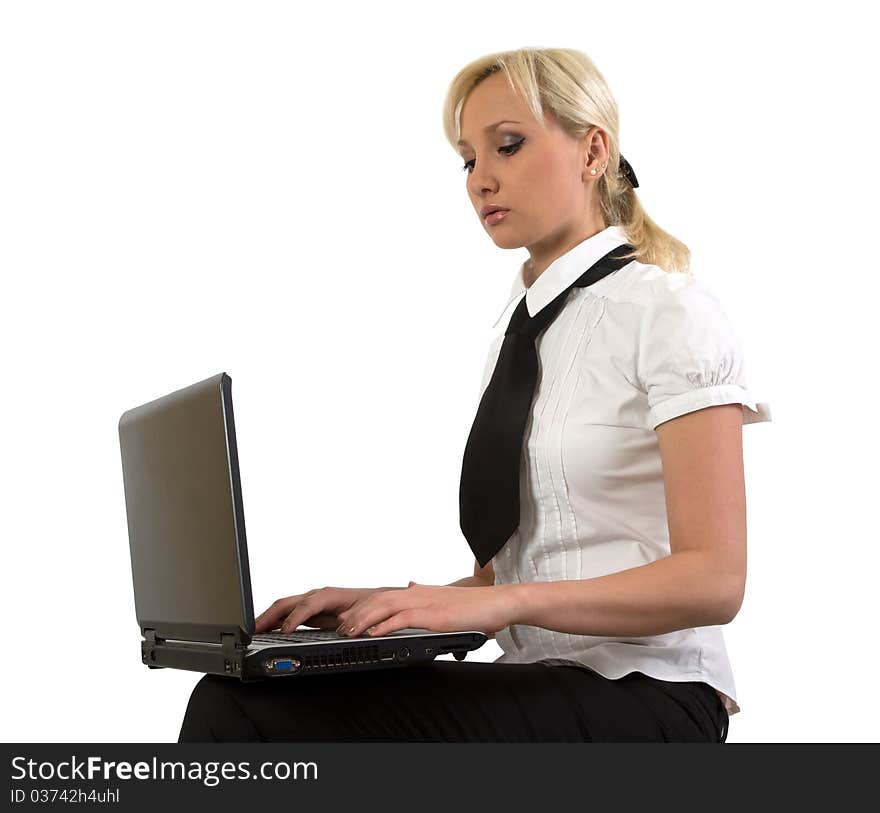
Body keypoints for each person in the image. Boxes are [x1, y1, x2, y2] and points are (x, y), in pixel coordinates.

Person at [178, 46, 771, 743]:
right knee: (243, 689)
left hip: (652, 695)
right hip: (542, 677)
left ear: (593, 151)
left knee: (244, 715)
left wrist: (502, 605)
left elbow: (715, 580)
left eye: (508, 146)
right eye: (467, 160)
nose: (480, 180)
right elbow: (513, 577)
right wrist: (387, 607)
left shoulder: (669, 312)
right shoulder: (520, 335)